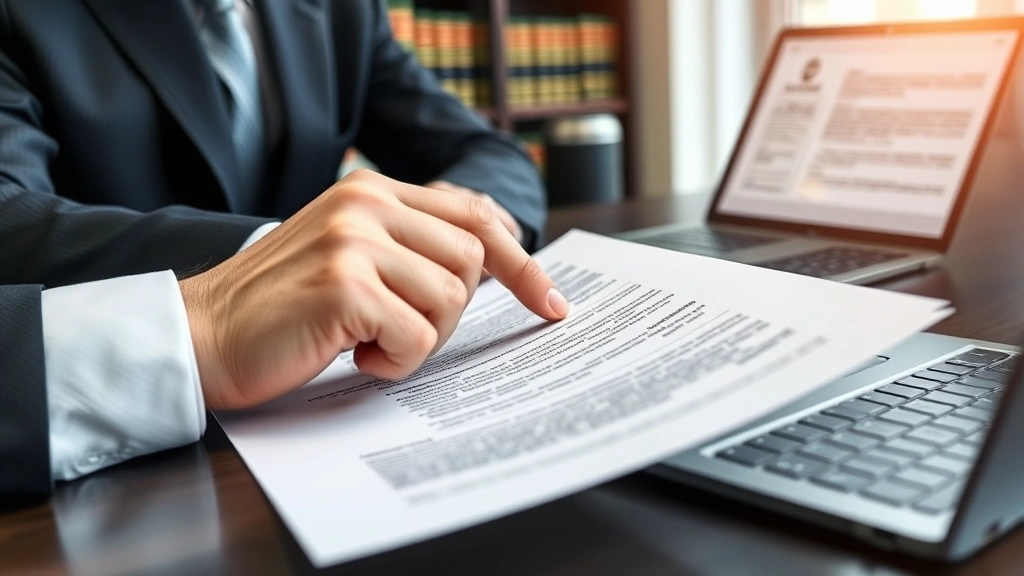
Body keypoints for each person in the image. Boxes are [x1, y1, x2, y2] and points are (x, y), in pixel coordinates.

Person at [0, 1, 565, 499]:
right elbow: (10, 215)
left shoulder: (343, 9)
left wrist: (449, 218)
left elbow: (494, 154)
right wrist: (271, 256)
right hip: (126, 438)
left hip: (320, 425)